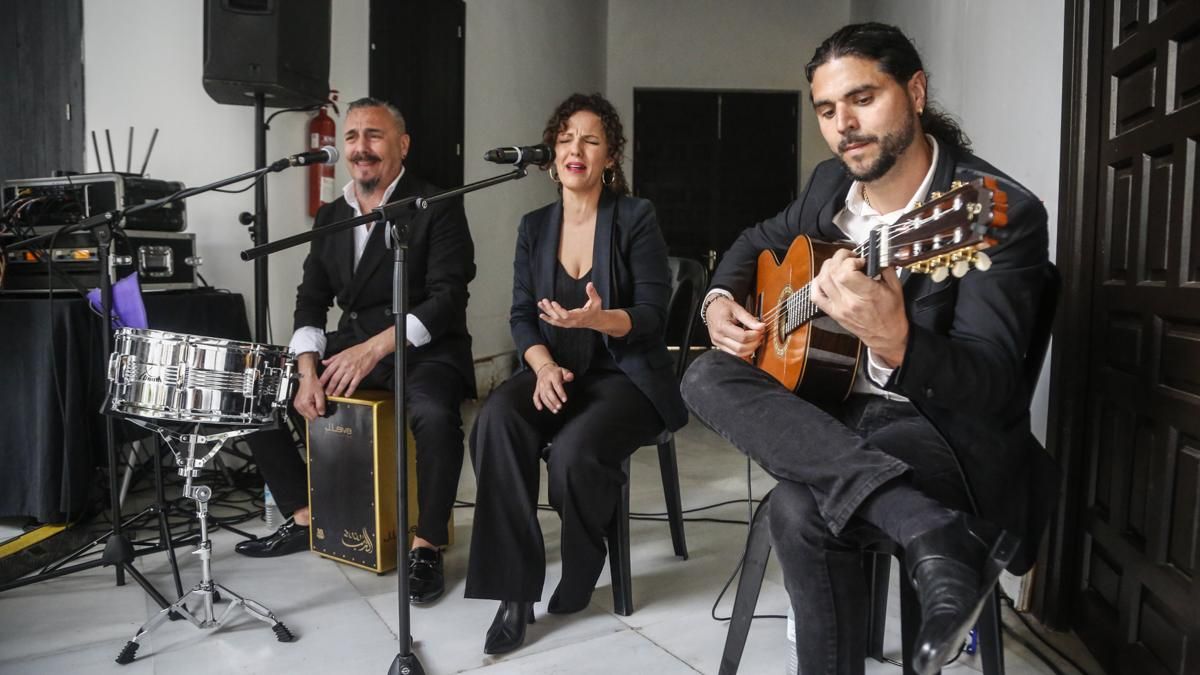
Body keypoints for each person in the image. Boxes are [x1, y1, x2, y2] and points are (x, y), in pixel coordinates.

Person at [680, 23, 1059, 675]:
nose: (843, 125)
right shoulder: (830, 186)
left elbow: (995, 386)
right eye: (827, 109)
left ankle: (933, 528)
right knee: (703, 374)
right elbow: (751, 240)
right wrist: (719, 301)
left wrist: (899, 339)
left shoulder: (990, 211)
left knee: (803, 506)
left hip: (941, 429)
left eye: (862, 99)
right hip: (835, 414)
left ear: (914, 91)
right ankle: (925, 526)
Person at [464, 93, 687, 655]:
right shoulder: (534, 226)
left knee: (573, 451)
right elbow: (521, 315)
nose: (576, 149)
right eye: (566, 139)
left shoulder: (636, 218)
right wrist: (539, 367)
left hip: (624, 375)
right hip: (556, 368)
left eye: (591, 139)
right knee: (496, 421)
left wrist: (599, 319)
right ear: (549, 155)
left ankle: (586, 558)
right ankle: (513, 591)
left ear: (610, 156)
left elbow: (653, 316)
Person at [236, 97, 476, 607]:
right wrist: (305, 369)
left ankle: (426, 544)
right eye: (351, 138)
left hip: (424, 346)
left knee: (434, 413)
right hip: (353, 344)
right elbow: (311, 301)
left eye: (374, 135)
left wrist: (373, 349)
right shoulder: (330, 214)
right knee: (257, 387)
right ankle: (303, 515)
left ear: (401, 145)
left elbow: (448, 298)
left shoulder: (437, 203)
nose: (360, 148)